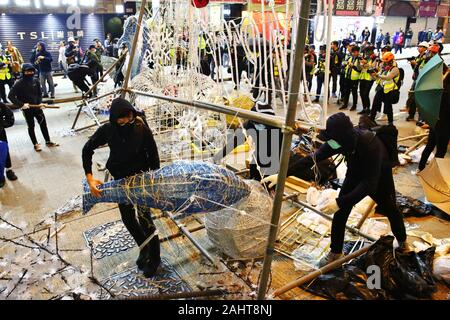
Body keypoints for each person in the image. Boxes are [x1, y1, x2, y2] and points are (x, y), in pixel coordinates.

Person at [262, 113, 409, 266]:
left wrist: (339, 201)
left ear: (343, 138)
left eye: (333, 141)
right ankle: (335, 252)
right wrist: (282, 175)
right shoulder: (338, 141)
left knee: (391, 209)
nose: (330, 144)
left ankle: (402, 242)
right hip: (355, 172)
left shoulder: (370, 144)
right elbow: (312, 158)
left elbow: (369, 185)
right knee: (340, 213)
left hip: (379, 177)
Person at [82, 97, 161, 278]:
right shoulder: (108, 130)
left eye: (129, 117)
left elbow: (154, 155)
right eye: (121, 118)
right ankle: (144, 247)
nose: (125, 121)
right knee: (127, 218)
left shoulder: (141, 128)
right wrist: (90, 178)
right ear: (114, 118)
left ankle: (155, 259)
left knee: (145, 219)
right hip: (120, 181)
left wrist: (154, 180)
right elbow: (87, 149)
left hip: (141, 179)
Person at [8, 64, 59, 151]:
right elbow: (10, 96)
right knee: (31, 126)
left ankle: (48, 141)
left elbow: (39, 94)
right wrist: (21, 105)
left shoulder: (36, 81)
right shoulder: (19, 83)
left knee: (43, 124)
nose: (30, 73)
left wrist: (40, 103)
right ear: (23, 72)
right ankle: (35, 144)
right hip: (27, 109)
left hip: (37, 107)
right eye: (27, 71)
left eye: (31, 71)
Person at [418, 69, 450, 171]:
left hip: (435, 123)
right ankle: (434, 172)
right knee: (440, 151)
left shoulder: (440, 91)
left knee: (430, 146)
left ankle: (421, 168)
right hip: (445, 126)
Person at [370, 52, 400, 124]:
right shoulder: (383, 69)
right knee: (375, 104)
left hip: (390, 91)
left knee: (388, 107)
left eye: (385, 62)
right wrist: (372, 74)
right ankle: (371, 119)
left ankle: (390, 122)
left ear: (390, 61)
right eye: (383, 61)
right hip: (381, 89)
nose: (383, 63)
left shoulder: (395, 69)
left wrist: (377, 75)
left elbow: (388, 77)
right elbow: (378, 78)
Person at [405, 42, 429, 122]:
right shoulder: (419, 56)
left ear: (425, 48)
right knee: (412, 97)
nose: (418, 48)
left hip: (422, 80)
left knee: (420, 99)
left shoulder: (426, 57)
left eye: (420, 47)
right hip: (416, 79)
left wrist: (415, 64)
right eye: (418, 47)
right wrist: (413, 64)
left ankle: (421, 118)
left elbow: (424, 69)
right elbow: (415, 69)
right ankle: (411, 115)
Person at [0, 102, 17, 188]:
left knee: (4, 152)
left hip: (0, 133)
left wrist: (3, 124)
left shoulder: (1, 105)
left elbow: (9, 115)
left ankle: (8, 170)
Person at [339, 45, 361, 111]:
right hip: (348, 77)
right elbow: (344, 63)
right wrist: (344, 64)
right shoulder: (351, 58)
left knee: (354, 92)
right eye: (352, 52)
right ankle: (345, 104)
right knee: (346, 91)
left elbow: (359, 70)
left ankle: (354, 105)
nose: (353, 53)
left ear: (357, 52)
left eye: (354, 52)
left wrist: (353, 66)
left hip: (354, 79)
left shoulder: (360, 59)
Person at [358, 45, 376, 115]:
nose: (366, 53)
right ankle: (364, 108)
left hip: (370, 78)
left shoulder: (375, 58)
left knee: (366, 94)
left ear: (371, 51)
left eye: (367, 51)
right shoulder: (366, 57)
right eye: (365, 52)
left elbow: (374, 68)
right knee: (362, 93)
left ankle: (368, 108)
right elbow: (361, 67)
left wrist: (366, 64)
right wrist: (361, 63)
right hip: (363, 77)